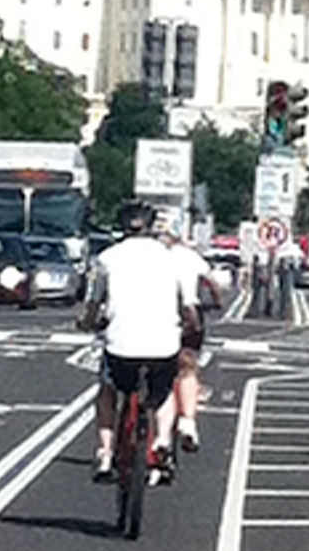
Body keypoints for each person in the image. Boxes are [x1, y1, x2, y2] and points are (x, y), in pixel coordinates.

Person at [80, 201, 193, 482]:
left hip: (121, 348)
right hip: (162, 347)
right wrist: (189, 325)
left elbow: (94, 305)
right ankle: (162, 441)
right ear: (152, 226)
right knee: (165, 391)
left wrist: (87, 323)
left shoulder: (107, 258)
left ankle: (105, 454)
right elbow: (190, 307)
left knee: (107, 389)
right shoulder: (173, 258)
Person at [166, 228, 222, 451]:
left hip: (153, 312)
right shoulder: (191, 257)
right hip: (188, 312)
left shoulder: (151, 256)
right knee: (188, 363)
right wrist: (218, 303)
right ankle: (187, 422)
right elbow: (212, 283)